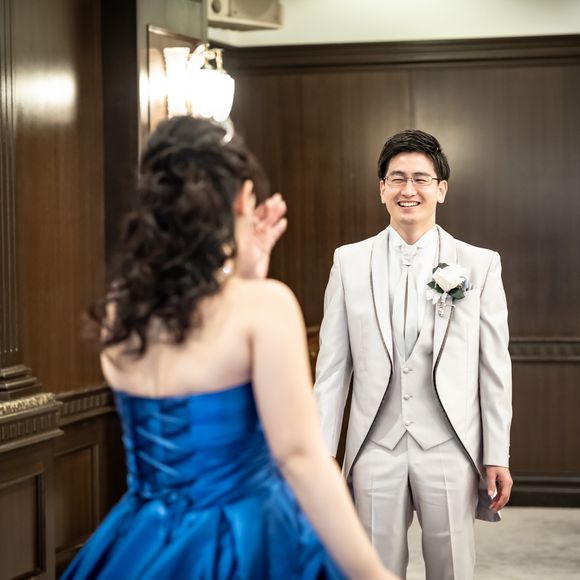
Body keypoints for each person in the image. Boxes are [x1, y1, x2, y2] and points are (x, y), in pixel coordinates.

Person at [62, 116, 398, 580]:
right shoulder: (265, 306)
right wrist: (373, 573)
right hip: (243, 535)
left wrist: (243, 274)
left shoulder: (122, 311)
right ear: (242, 198)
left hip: (141, 536)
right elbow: (300, 460)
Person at [314, 129, 513, 580]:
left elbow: (494, 370)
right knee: (372, 569)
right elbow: (332, 368)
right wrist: (323, 452)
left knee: (452, 569)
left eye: (421, 179)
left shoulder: (479, 264)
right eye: (397, 178)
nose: (409, 190)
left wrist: (496, 454)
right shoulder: (348, 262)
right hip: (374, 447)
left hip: (449, 446)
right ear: (381, 188)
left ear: (441, 189)